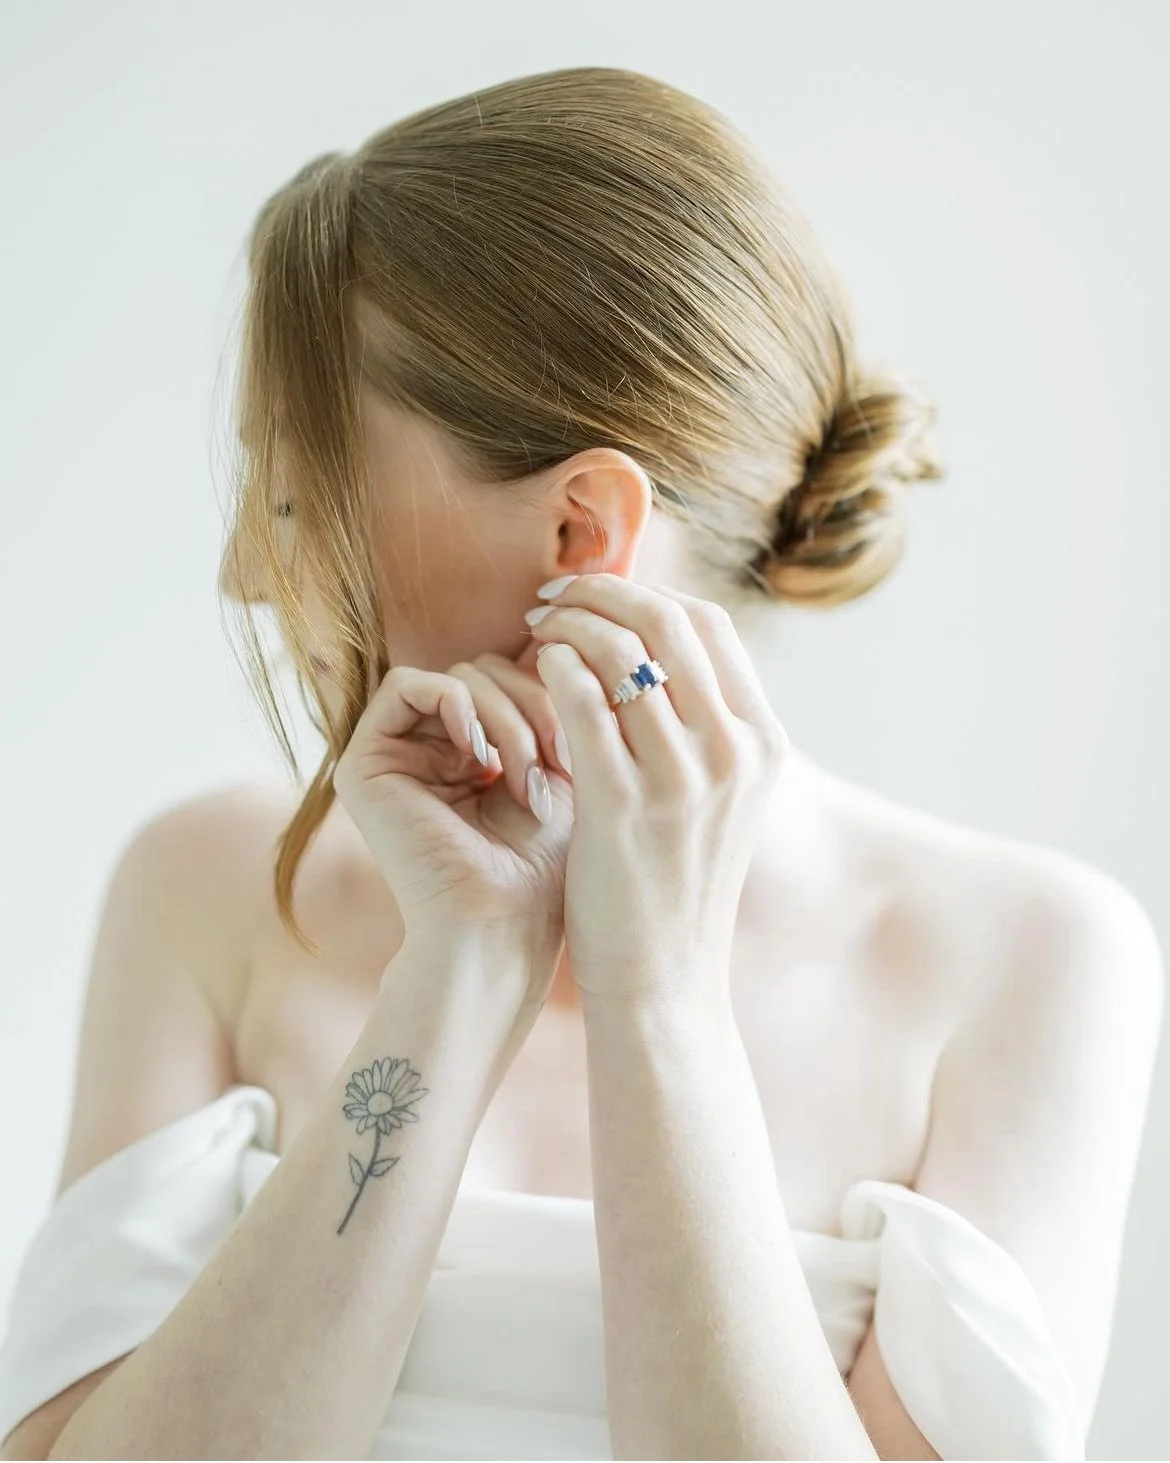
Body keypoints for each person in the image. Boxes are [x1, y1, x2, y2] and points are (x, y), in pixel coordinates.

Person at [0, 64, 1162, 1462]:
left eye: (297, 493)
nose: (248, 570)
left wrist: (657, 995)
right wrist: (457, 972)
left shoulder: (1026, 958)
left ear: (578, 530)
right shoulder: (211, 885)